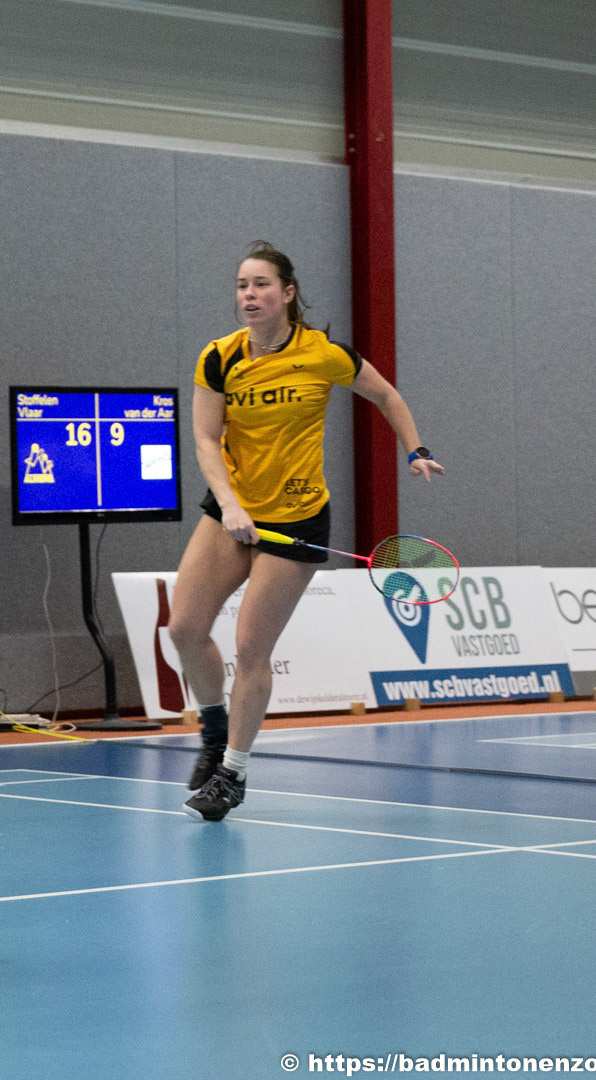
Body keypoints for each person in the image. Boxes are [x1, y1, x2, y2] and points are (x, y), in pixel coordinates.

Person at [169, 241, 445, 821]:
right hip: (233, 510)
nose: (249, 295)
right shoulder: (218, 357)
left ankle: (233, 774)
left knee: (251, 647)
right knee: (185, 628)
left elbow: (385, 394)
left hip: (296, 517)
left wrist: (415, 448)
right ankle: (214, 732)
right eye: (242, 285)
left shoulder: (323, 354)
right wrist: (231, 506)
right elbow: (205, 440)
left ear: (287, 293)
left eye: (261, 284)